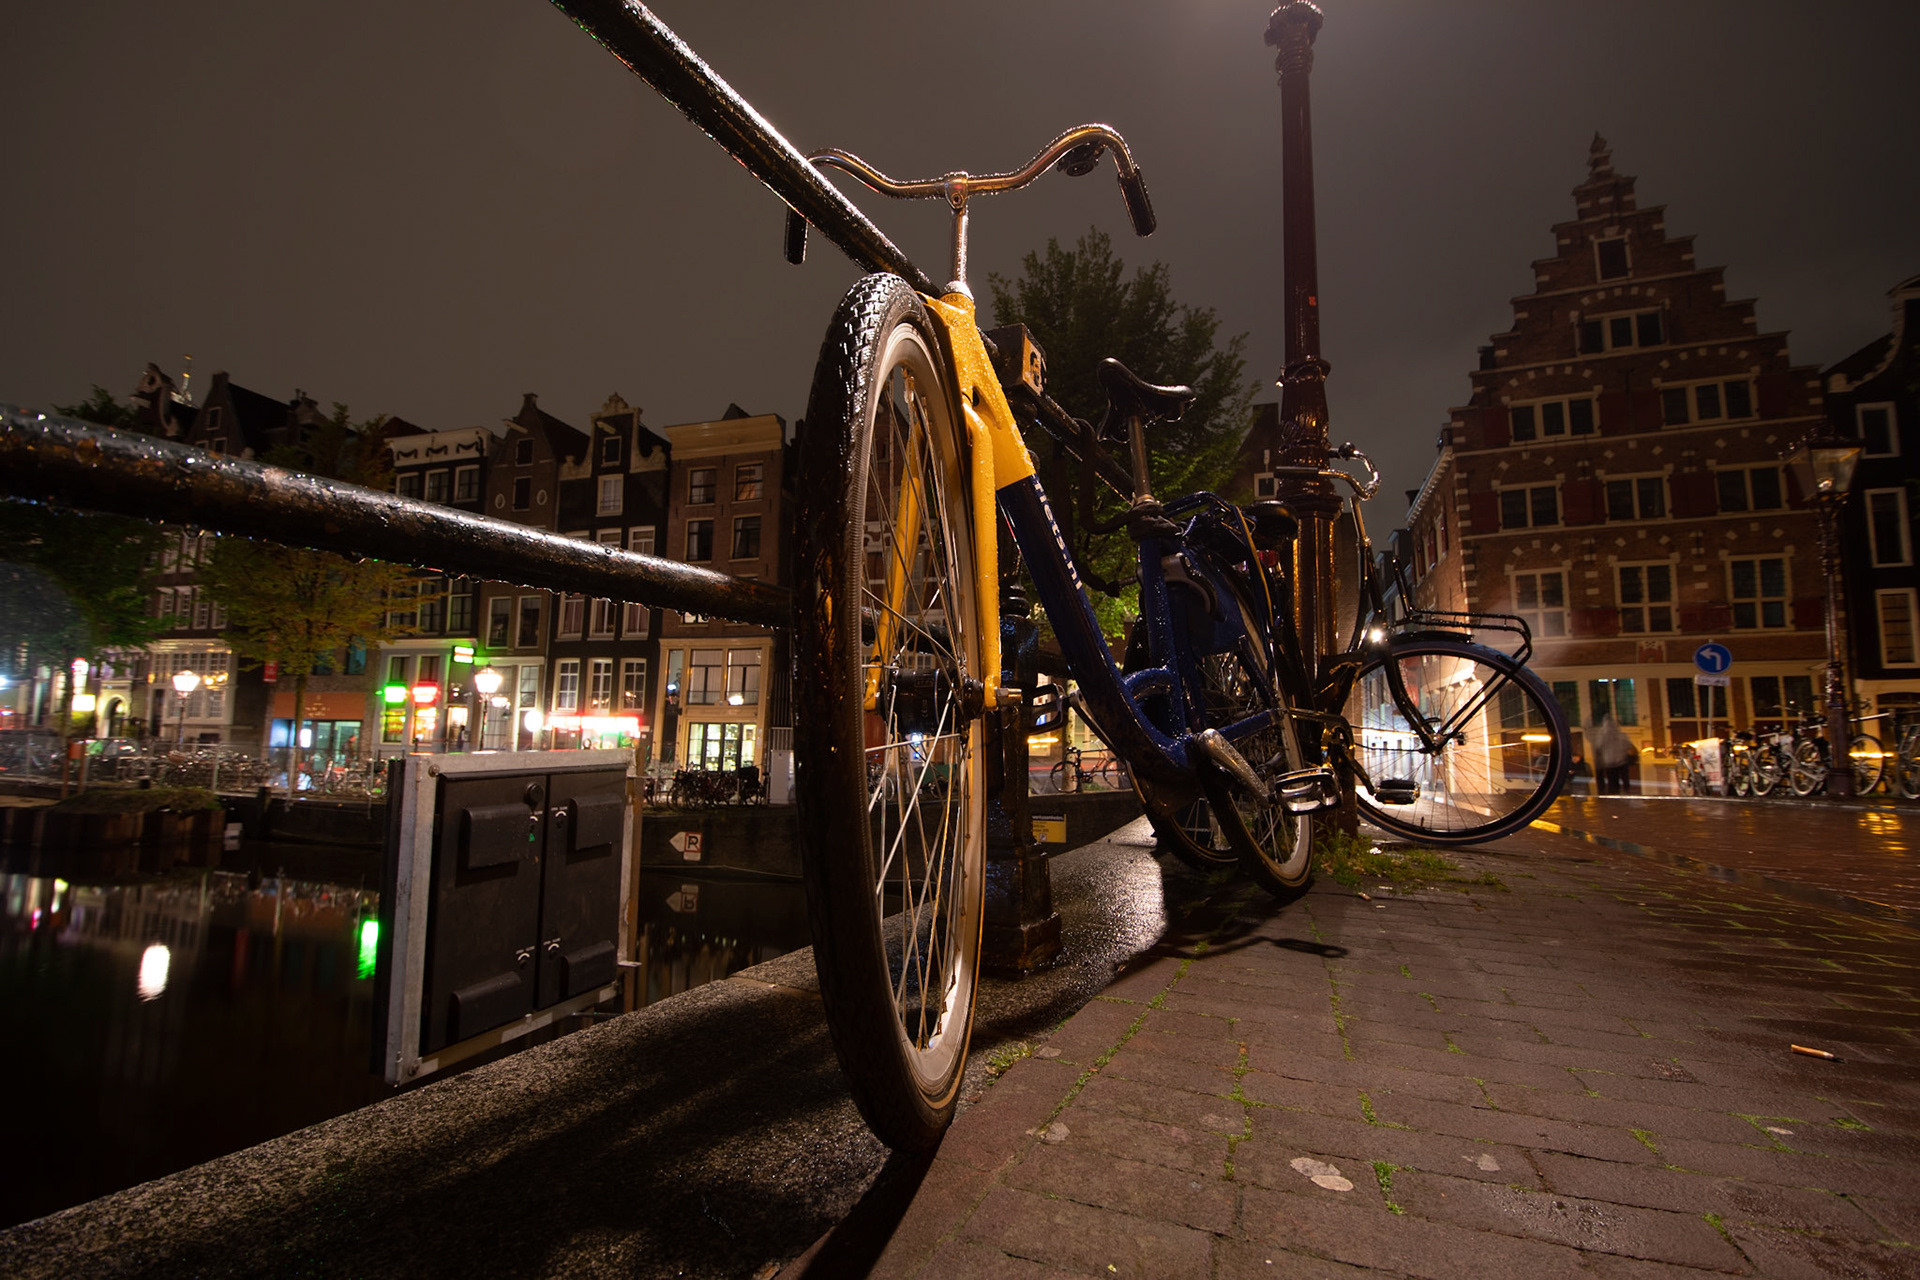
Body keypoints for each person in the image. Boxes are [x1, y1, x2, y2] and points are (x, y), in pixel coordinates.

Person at [1589, 712, 1635, 794]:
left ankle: (1615, 794)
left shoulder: (1602, 736)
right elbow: (1628, 745)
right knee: (1624, 781)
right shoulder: (1621, 735)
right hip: (1621, 762)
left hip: (1610, 763)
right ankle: (1626, 791)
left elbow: (1599, 746)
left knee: (1613, 783)